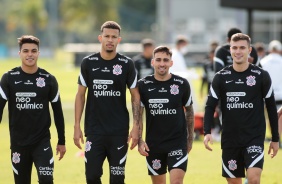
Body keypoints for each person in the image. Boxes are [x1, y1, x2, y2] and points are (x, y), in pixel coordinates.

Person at [203, 33, 279, 184]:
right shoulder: (220, 77)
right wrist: (207, 132)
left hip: (254, 137)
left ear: (249, 50)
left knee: (253, 179)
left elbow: (270, 107)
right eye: (235, 48)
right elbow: (210, 105)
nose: (238, 51)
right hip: (230, 138)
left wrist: (275, 138)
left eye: (242, 48)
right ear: (230, 50)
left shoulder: (261, 75)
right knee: (233, 181)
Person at [73, 21, 140, 184]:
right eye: (107, 36)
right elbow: (80, 95)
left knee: (117, 179)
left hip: (118, 132)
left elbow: (135, 96)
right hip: (94, 131)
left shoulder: (126, 64)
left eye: (114, 37)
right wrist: (76, 126)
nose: (110, 40)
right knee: (92, 176)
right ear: (100, 38)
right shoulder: (88, 63)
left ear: (119, 40)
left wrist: (136, 126)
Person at [0, 35, 66, 184]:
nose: (30, 54)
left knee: (46, 179)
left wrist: (61, 141)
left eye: (33, 51)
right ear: (20, 53)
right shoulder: (9, 78)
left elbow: (58, 112)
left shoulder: (49, 79)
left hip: (41, 142)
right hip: (18, 143)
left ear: (38, 53)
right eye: (26, 51)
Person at [138, 46, 194, 184]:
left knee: (176, 182)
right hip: (154, 144)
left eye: (165, 60)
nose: (162, 63)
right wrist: (139, 138)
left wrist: (190, 138)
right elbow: (138, 115)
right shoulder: (143, 85)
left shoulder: (182, 84)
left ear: (171, 63)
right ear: (152, 62)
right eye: (158, 60)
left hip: (177, 143)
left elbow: (190, 112)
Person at [260, 40, 282, 147]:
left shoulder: (264, 61)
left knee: (266, 117)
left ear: (269, 50)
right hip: (281, 94)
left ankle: (266, 137)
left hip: (266, 93)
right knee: (278, 117)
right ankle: (277, 137)